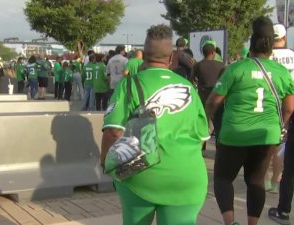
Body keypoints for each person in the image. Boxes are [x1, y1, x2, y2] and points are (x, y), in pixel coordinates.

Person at [101, 24, 209, 225]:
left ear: (143, 57)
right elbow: (203, 138)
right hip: (187, 177)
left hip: (141, 176)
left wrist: (105, 164)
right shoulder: (188, 87)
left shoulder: (130, 84)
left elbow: (113, 132)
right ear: (170, 59)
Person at [205, 16, 294, 225]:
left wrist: (206, 123)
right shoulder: (282, 73)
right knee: (256, 181)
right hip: (267, 134)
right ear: (270, 47)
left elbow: (212, 102)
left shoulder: (235, 69)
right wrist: (281, 125)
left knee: (223, 178)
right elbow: (289, 107)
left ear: (250, 45)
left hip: (234, 133)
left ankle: (230, 222)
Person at [268, 24, 294, 224]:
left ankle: (269, 181)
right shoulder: (292, 55)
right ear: (284, 37)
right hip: (291, 106)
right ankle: (275, 181)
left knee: (276, 146)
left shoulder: (266, 58)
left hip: (273, 106)